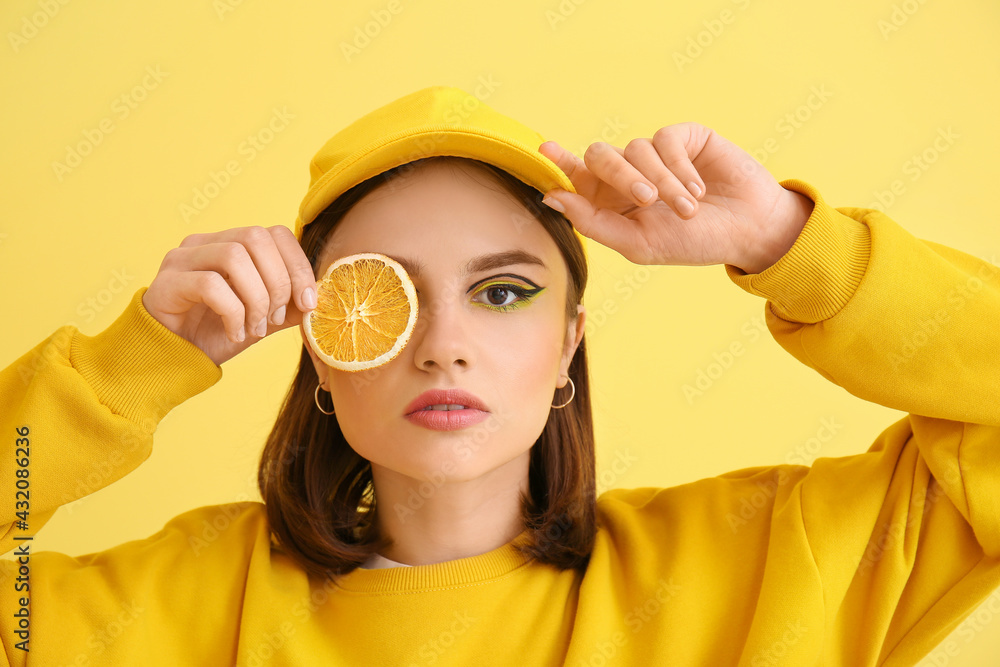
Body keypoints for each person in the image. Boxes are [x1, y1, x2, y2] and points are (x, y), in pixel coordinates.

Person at [1, 85, 998, 666]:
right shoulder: (168, 613)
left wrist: (793, 245)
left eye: (503, 292)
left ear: (567, 342)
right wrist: (131, 365)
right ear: (316, 341)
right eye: (382, 292)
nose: (443, 343)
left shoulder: (773, 563)